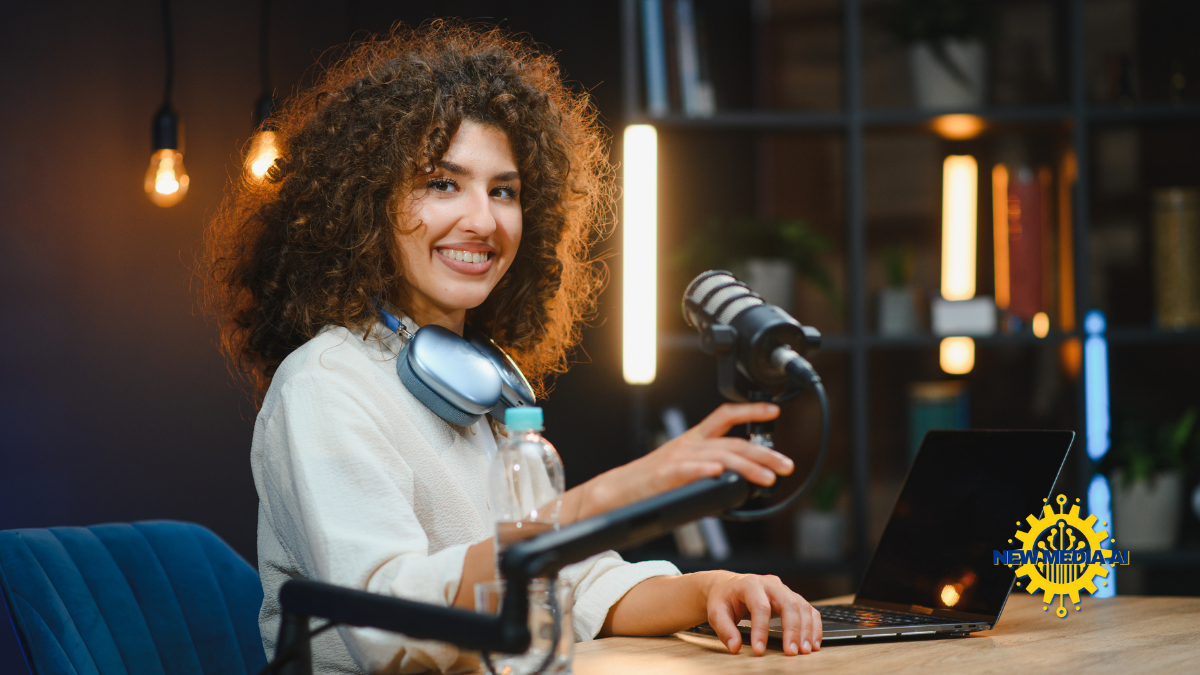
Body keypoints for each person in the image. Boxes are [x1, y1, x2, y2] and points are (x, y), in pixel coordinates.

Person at [204, 21, 822, 674]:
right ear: (368, 202)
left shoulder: (483, 378)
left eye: (504, 190)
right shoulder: (324, 386)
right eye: (443, 183)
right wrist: (619, 491)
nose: (483, 218)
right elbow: (388, 626)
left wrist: (710, 589)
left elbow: (566, 583)